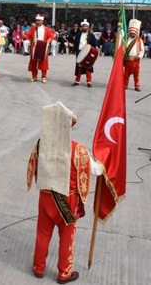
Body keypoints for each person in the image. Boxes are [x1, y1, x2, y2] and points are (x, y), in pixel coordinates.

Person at [27, 101, 101, 282]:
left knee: (42, 234)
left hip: (45, 197)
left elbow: (32, 167)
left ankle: (38, 268)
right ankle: (64, 273)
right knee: (67, 237)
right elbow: (96, 170)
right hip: (68, 200)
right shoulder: (79, 150)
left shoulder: (40, 145)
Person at [24, 14, 53, 83]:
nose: (37, 22)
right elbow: (27, 35)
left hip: (43, 47)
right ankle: (34, 76)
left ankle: (44, 77)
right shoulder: (33, 29)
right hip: (34, 47)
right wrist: (25, 36)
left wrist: (48, 41)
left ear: (42, 21)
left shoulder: (47, 29)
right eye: (36, 20)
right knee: (34, 62)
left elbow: (51, 37)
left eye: (39, 21)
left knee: (43, 62)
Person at [72, 20, 98, 87]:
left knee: (88, 67)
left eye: (85, 26)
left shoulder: (91, 35)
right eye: (83, 26)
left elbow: (95, 43)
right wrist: (73, 48)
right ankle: (77, 81)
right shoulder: (78, 34)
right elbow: (75, 43)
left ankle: (89, 82)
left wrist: (97, 47)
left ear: (88, 27)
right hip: (80, 51)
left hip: (88, 52)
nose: (84, 27)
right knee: (79, 67)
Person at [123, 19, 145, 91]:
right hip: (128, 60)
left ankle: (137, 86)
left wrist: (139, 56)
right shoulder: (126, 40)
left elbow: (142, 50)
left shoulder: (139, 40)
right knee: (126, 74)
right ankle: (125, 85)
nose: (132, 34)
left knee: (136, 75)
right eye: (131, 33)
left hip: (136, 60)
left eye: (134, 33)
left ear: (136, 33)